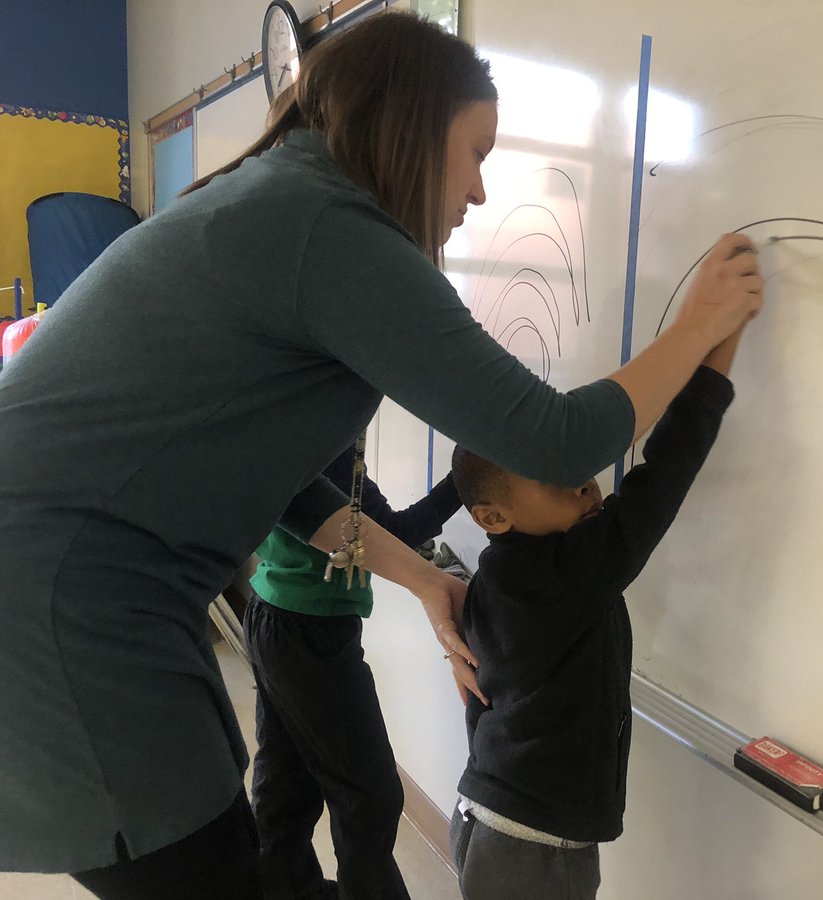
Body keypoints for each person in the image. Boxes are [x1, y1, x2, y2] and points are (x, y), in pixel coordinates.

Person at [0, 10, 761, 899]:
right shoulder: (330, 224)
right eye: (475, 152)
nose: (478, 192)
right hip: (63, 614)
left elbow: (288, 486)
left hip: (66, 597)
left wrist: (423, 581)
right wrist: (701, 327)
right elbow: (559, 439)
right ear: (409, 124)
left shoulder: (280, 201)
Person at [447, 323, 747, 900]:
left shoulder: (501, 573)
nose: (589, 491)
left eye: (585, 476)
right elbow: (659, 482)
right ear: (492, 517)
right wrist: (717, 349)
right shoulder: (564, 573)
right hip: (533, 849)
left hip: (487, 814)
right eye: (562, 484)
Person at [245, 442, 461, 900]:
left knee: (287, 779)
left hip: (277, 615)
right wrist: (466, 477)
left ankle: (284, 888)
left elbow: (386, 530)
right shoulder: (324, 446)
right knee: (369, 795)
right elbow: (391, 532)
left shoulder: (314, 434)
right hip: (308, 633)